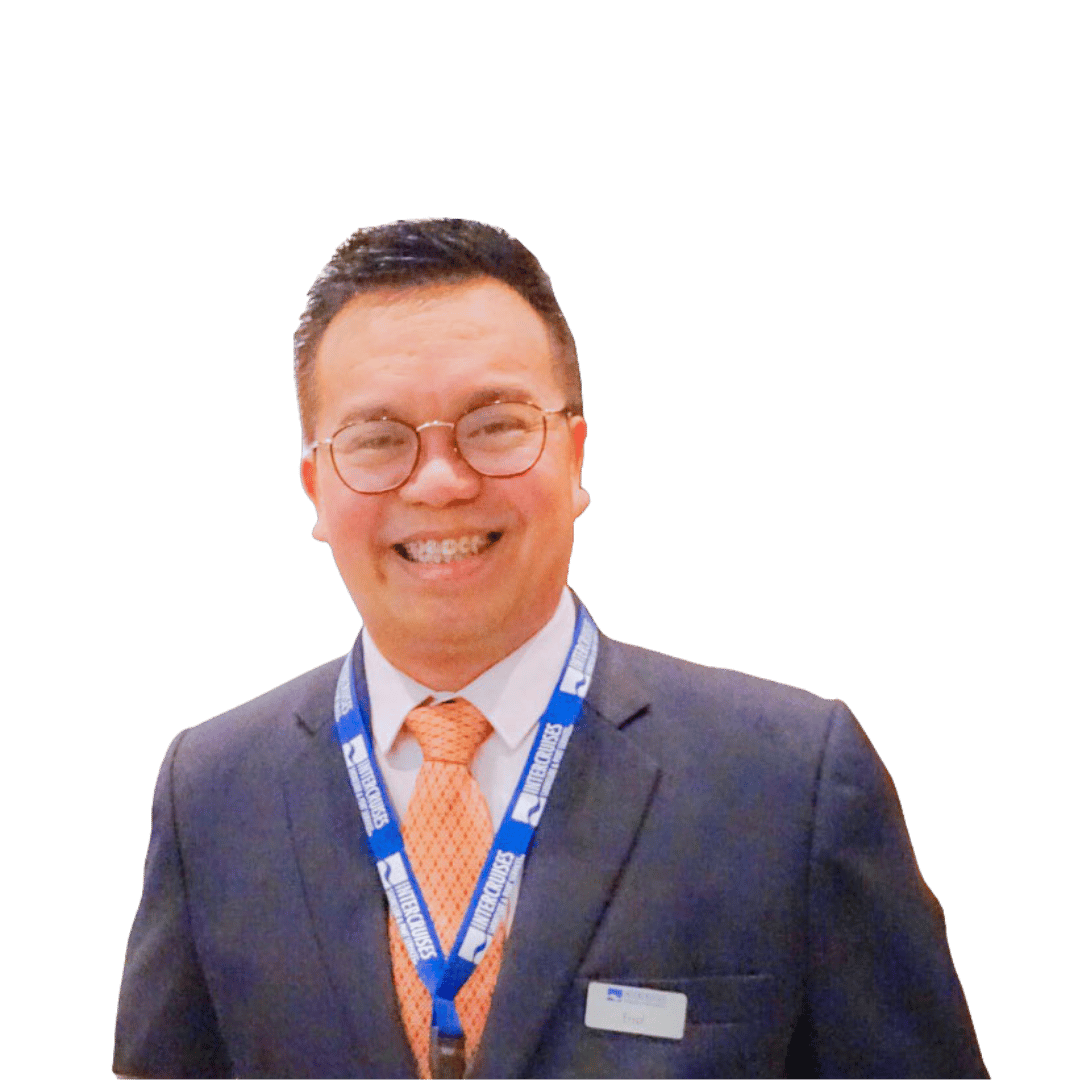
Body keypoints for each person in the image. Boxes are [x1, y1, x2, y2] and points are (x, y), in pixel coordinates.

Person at [113, 218, 988, 1079]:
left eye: (494, 424)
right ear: (316, 486)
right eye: (378, 440)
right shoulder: (212, 792)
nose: (441, 482)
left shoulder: (791, 785)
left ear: (572, 455)